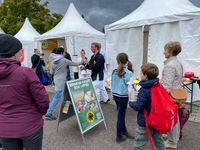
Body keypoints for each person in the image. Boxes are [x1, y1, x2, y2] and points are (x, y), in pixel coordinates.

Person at [0, 34, 49, 150]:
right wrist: (37, 114)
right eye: (20, 51)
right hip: (29, 126)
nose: (22, 54)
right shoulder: (25, 73)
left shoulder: (24, 73)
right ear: (14, 53)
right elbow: (43, 101)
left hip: (4, 128)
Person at [129, 63, 165, 150]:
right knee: (158, 140)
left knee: (139, 143)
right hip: (156, 119)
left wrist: (131, 103)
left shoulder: (144, 90)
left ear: (145, 76)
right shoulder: (157, 85)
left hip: (146, 121)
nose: (140, 74)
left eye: (141, 73)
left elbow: (139, 106)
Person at [45, 47, 82, 120]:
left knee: (67, 95)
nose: (65, 53)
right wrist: (82, 61)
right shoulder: (64, 60)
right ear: (61, 53)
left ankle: (66, 109)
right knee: (57, 97)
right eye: (64, 52)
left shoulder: (53, 61)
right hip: (62, 81)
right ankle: (49, 113)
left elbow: (51, 72)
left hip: (56, 80)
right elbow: (75, 64)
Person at [161, 41, 183, 149]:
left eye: (165, 50)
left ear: (170, 51)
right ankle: (172, 137)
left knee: (172, 118)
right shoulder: (177, 63)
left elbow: (166, 86)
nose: (163, 52)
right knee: (174, 117)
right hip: (176, 94)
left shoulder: (170, 65)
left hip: (170, 96)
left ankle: (172, 142)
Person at [111, 53, 134, 143]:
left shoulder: (114, 71)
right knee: (121, 116)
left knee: (121, 115)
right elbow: (130, 88)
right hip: (123, 97)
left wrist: (113, 94)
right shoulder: (129, 73)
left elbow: (112, 84)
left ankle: (124, 131)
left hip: (116, 95)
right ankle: (118, 136)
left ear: (117, 61)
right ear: (126, 60)